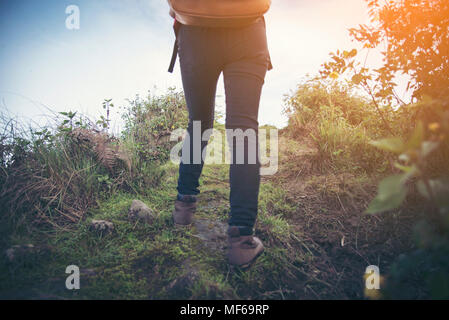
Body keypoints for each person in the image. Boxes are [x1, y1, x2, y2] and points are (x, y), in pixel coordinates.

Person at [169, 4, 272, 268]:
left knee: (199, 124)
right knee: (243, 130)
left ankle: (184, 207)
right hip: (247, 31)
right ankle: (241, 240)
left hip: (194, 34)